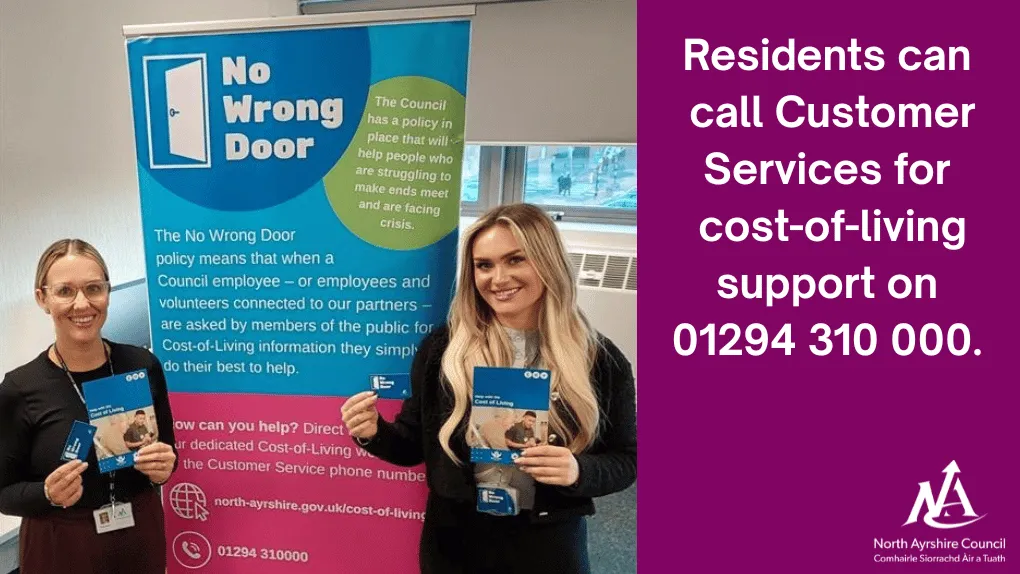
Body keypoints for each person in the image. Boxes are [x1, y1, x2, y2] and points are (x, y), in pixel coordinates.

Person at [341, 203, 637, 573]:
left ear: (547, 262)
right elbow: (410, 444)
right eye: (484, 265)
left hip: (545, 543)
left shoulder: (598, 359)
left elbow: (627, 460)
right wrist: (373, 433)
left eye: (515, 260)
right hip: (456, 541)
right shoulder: (443, 350)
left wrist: (578, 470)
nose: (498, 278)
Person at [0, 239, 179, 573]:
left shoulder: (141, 365)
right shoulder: (20, 388)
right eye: (65, 291)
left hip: (138, 534)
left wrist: (165, 466)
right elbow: (4, 493)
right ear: (43, 298)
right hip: (61, 545)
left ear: (107, 292)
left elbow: (168, 450)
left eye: (93, 288)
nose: (82, 304)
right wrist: (47, 493)